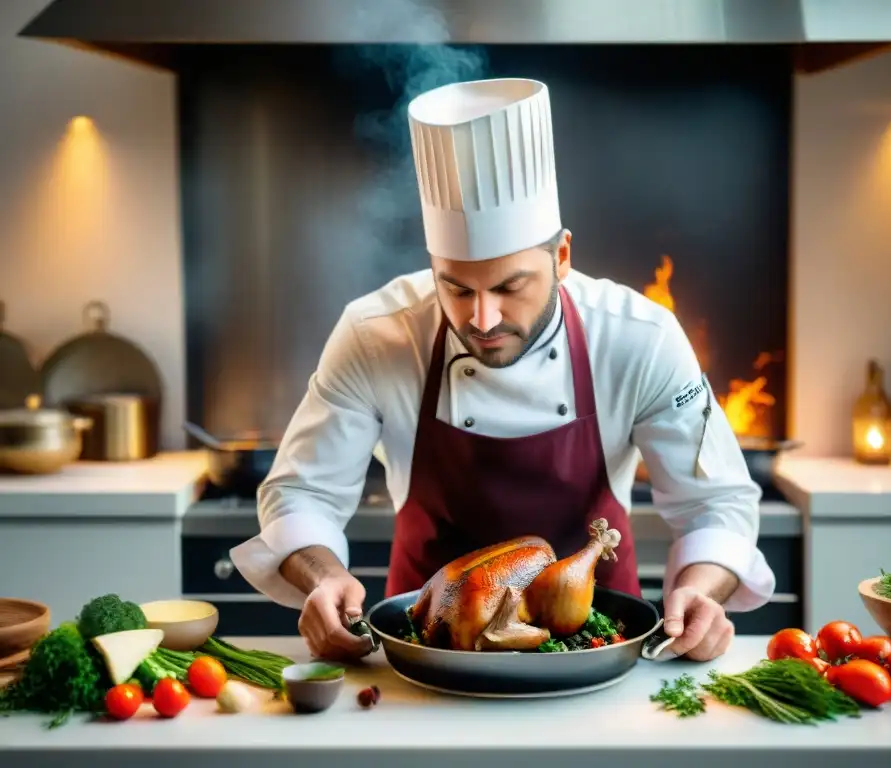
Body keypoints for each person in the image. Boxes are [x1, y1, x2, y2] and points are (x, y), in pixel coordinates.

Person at [230, 77, 775, 664]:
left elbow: (714, 503)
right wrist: (323, 578)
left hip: (597, 649)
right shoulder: (375, 333)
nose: (482, 317)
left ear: (561, 257)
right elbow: (302, 492)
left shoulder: (639, 336)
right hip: (425, 653)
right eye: (456, 287)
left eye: (511, 286)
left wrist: (698, 591)